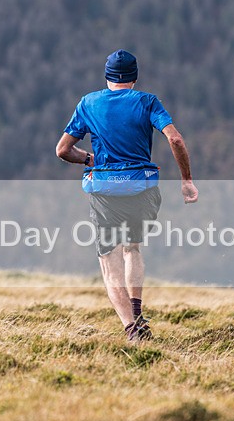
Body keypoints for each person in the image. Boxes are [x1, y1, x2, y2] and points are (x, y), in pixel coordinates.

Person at [56, 49, 198, 341]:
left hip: (106, 192)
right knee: (132, 248)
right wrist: (186, 181)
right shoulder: (147, 102)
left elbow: (63, 150)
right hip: (142, 188)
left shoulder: (88, 103)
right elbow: (174, 138)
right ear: (134, 77)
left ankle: (132, 329)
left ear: (107, 76)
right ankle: (138, 313)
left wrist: (88, 159)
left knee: (109, 261)